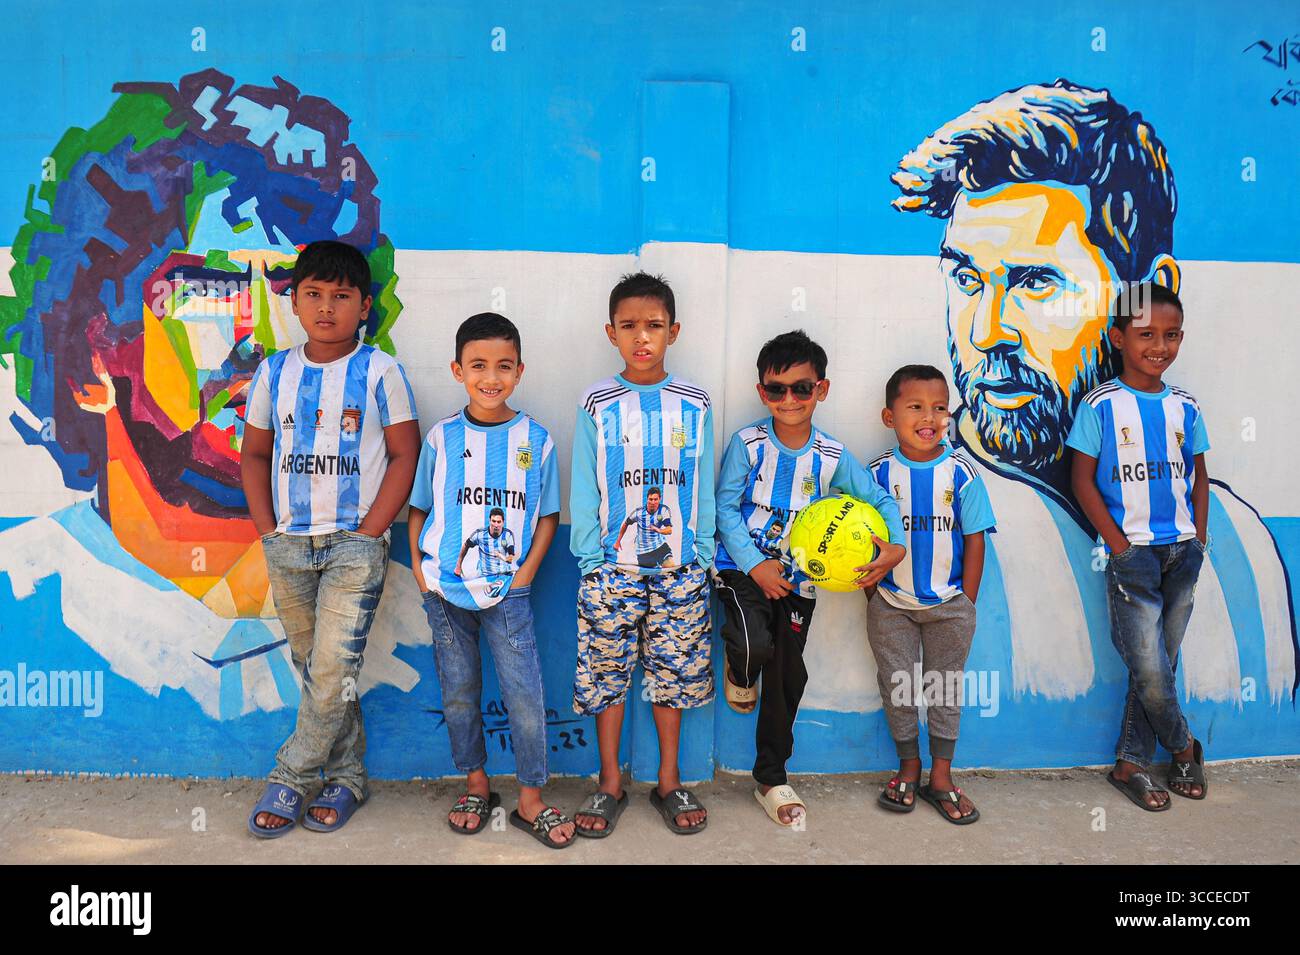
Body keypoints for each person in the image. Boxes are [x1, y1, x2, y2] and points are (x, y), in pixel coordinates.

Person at [891, 78, 1294, 710]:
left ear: (1140, 293)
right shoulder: (932, 500)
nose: (987, 330)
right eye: (967, 278)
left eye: (1036, 283)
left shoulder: (1243, 547)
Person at [241, 240, 420, 837]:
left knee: (333, 661)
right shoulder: (274, 371)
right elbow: (256, 454)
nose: (326, 308)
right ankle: (346, 775)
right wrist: (269, 530)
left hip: (353, 546)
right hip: (288, 544)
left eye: (341, 297)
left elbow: (403, 454)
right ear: (295, 301)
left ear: (363, 306)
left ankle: (290, 775)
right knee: (315, 667)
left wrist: (371, 532)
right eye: (313, 295)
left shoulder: (381, 372)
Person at [714, 330, 905, 826]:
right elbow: (724, 507)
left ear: (821, 389)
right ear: (762, 392)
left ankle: (771, 779)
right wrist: (755, 564)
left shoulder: (832, 456)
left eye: (801, 388)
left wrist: (895, 544)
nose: (789, 400)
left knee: (788, 676)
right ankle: (740, 671)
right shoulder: (748, 445)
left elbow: (879, 501)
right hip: (743, 571)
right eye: (776, 389)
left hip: (801, 582)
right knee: (755, 646)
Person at [408, 312, 575, 847]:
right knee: (459, 690)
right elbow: (419, 507)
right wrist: (419, 567)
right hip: (445, 589)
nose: (491, 377)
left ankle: (530, 799)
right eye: (478, 365)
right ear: (458, 370)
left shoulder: (536, 440)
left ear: (519, 371)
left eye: (504, 366)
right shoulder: (441, 437)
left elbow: (547, 516)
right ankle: (476, 784)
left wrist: (524, 575)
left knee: (524, 692)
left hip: (508, 591)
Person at [569, 272, 715, 836]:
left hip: (679, 570)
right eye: (629, 326)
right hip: (611, 569)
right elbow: (584, 482)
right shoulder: (598, 402)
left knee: (672, 676)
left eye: (653, 326)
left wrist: (699, 553)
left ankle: (670, 781)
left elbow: (699, 482)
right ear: (611, 332)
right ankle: (609, 783)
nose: (642, 337)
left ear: (673, 331)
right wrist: (590, 559)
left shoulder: (695, 402)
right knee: (607, 675)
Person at [1067, 283, 1210, 811]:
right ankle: (1183, 745)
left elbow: (1199, 476)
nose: (1160, 346)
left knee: (1159, 663)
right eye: (1146, 334)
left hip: (1182, 552)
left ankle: (1129, 763)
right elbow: (1082, 480)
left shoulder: (1186, 406)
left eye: (1171, 335)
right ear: (1119, 337)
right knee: (1149, 664)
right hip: (1134, 556)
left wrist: (1198, 535)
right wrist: (1120, 543)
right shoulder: (1101, 404)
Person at [866, 364, 996, 824]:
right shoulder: (877, 475)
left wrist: (967, 602)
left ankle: (941, 776)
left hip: (949, 607)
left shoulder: (962, 472)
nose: (929, 416)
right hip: (891, 606)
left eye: (939, 408)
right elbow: (863, 540)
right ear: (889, 416)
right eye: (915, 406)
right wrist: (877, 596)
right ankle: (908, 766)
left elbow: (976, 537)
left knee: (944, 688)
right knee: (898, 688)